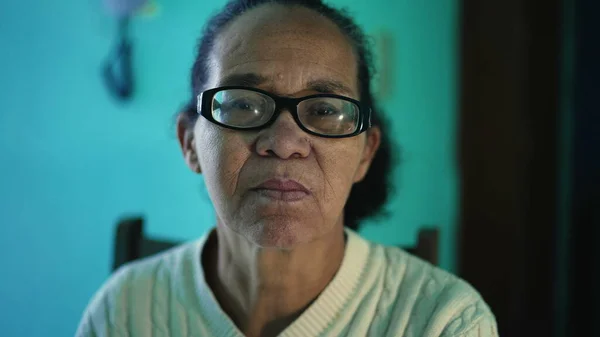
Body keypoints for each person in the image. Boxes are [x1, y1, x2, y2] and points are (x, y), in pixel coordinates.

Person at [76, 0, 498, 336]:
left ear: (365, 153)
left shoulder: (444, 322)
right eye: (242, 104)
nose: (283, 143)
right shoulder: (126, 312)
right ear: (189, 141)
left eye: (325, 109)